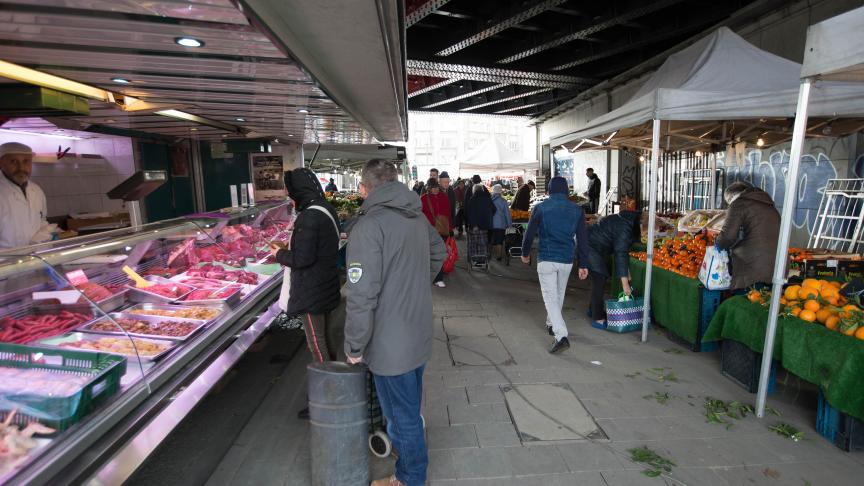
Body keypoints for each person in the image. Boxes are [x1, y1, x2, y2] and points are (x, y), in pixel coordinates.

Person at [344, 159, 446, 486]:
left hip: (390, 344)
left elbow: (361, 295)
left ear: (365, 188)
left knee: (402, 417)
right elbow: (439, 252)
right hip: (417, 331)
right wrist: (415, 285)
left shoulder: (368, 227)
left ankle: (410, 479)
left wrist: (354, 345)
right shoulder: (415, 216)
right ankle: (408, 464)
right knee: (408, 409)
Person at [270, 168, 341, 419]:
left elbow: (302, 258)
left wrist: (278, 254)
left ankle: (328, 399)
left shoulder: (309, 217)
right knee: (326, 339)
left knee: (317, 344)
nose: (290, 197)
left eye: (291, 192)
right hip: (326, 284)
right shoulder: (325, 208)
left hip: (312, 290)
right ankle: (335, 388)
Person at [521, 176, 589, 353]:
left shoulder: (540, 208)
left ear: (549, 190)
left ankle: (561, 335)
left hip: (546, 258)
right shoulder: (577, 210)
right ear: (566, 190)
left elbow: (529, 234)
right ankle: (551, 324)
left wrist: (525, 253)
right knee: (558, 294)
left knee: (550, 297)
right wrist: (583, 264)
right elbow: (583, 239)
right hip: (566, 260)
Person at [715, 182, 780, 290]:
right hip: (777, 266)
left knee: (746, 298)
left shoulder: (739, 204)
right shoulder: (769, 205)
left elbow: (728, 236)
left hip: (751, 266)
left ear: (731, 197)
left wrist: (718, 244)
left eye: (728, 202)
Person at [585, 211, 643, 327]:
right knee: (599, 278)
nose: (646, 236)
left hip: (593, 244)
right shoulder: (625, 228)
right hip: (589, 246)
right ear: (641, 226)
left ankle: (593, 310)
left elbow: (623, 252)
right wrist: (625, 285)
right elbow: (620, 254)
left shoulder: (627, 221)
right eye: (646, 232)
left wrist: (626, 272)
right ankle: (597, 318)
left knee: (599, 278)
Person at [0, 142, 49, 250]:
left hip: (34, 259)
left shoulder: (36, 190)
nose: (21, 168)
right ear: (1, 163)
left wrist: (38, 244)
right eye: (13, 161)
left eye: (26, 161)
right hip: (4, 263)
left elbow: (43, 222)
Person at [420, 178, 451, 288]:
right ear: (428, 188)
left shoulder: (444, 197)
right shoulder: (423, 199)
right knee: (428, 254)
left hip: (442, 230)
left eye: (436, 187)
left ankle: (438, 278)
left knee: (440, 254)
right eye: (433, 187)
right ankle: (430, 276)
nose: (435, 189)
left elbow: (449, 214)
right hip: (428, 230)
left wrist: (450, 229)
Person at [490, 184, 512, 261]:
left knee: (493, 239)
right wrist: (509, 224)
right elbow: (507, 214)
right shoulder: (503, 201)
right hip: (500, 224)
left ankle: (494, 255)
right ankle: (498, 256)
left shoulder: (490, 200)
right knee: (499, 240)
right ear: (500, 192)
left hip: (491, 224)